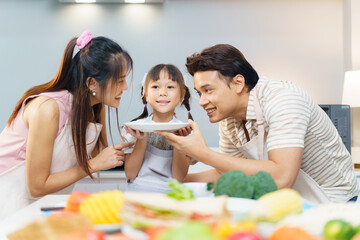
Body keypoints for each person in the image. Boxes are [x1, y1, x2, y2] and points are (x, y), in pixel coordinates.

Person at [157, 44, 360, 203]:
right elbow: (226, 173)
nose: (201, 101)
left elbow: (281, 177)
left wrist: (203, 153)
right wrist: (174, 183)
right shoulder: (229, 120)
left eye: (208, 90)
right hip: (291, 201)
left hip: (333, 201)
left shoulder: (284, 99)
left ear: (238, 83)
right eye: (200, 93)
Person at [0, 30, 134, 218]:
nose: (125, 87)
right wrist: (94, 164)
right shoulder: (48, 109)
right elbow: (37, 186)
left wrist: (134, 140)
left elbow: (100, 155)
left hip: (39, 207)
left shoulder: (93, 108)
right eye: (119, 81)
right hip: (7, 201)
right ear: (92, 83)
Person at [123, 64, 193, 193]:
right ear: (146, 94)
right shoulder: (134, 129)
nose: (162, 93)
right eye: (155, 87)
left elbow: (178, 177)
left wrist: (178, 141)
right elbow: (130, 173)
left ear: (182, 95)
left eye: (170, 87)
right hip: (137, 196)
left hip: (171, 196)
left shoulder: (187, 132)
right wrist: (141, 140)